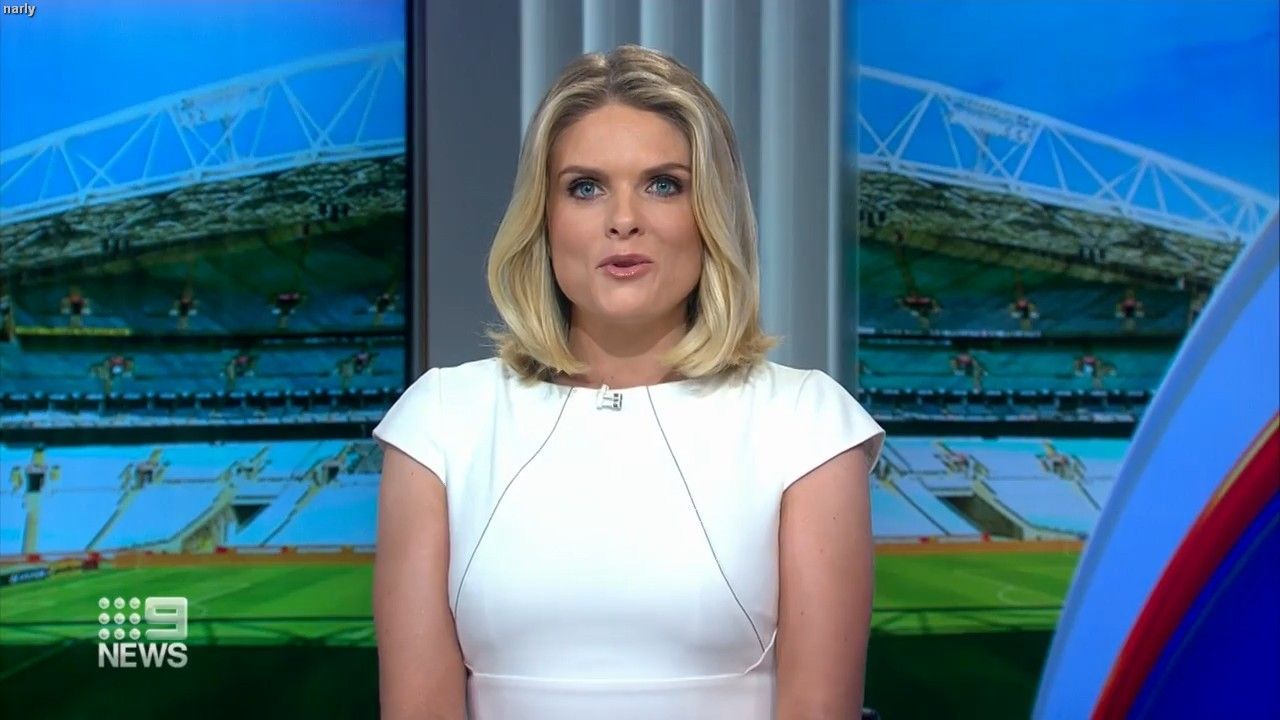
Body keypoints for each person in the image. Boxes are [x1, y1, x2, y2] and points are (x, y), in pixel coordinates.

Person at [371, 45, 884, 720]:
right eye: (585, 187)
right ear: (544, 218)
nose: (623, 219)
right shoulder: (441, 422)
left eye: (663, 184)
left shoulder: (807, 424)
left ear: (711, 213)